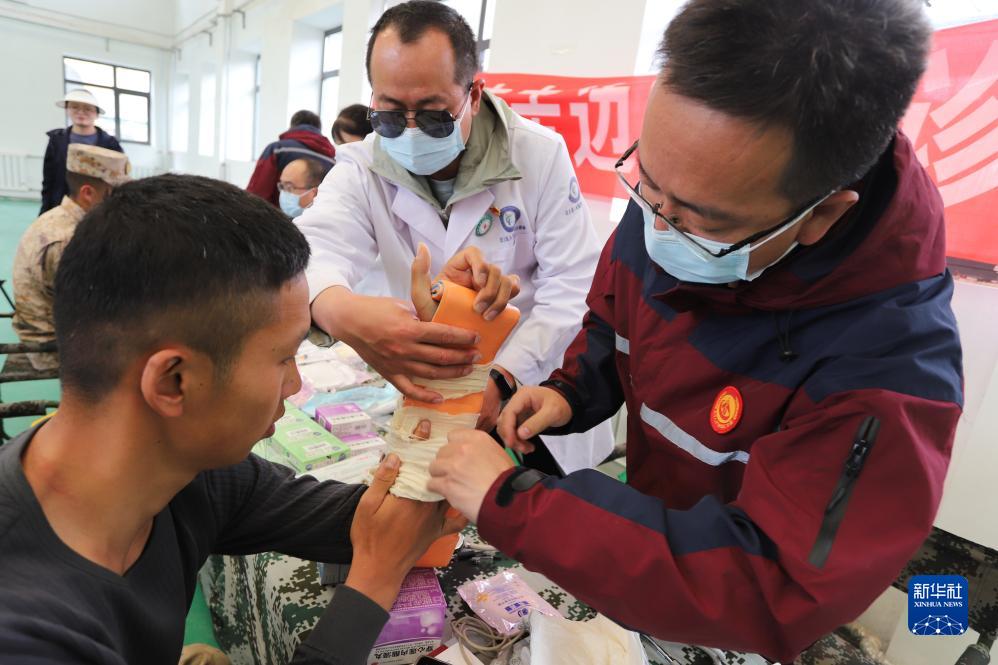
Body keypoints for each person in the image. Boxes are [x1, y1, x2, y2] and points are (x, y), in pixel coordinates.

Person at [426, 1, 964, 662]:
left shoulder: (888, 371)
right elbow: (614, 322)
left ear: (821, 215)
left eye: (695, 220)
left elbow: (773, 585)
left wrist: (515, 503)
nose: (657, 224)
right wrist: (571, 392)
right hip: (646, 549)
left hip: (730, 612)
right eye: (647, 185)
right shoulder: (680, 193)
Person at [0, 174, 467, 664]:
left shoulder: (181, 473)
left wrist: (460, 343)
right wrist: (374, 581)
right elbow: (379, 547)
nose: (294, 385)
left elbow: (369, 523)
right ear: (174, 382)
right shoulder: (26, 633)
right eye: (284, 358)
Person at [299, 0, 613, 475]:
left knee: (531, 501)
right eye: (389, 116)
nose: (410, 133)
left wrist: (504, 377)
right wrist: (338, 309)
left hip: (532, 391)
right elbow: (310, 252)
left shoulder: (538, 155)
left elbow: (573, 287)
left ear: (474, 95)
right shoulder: (363, 166)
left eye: (433, 116)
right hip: (431, 393)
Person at [12, 144, 131, 370]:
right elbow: (92, 309)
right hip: (51, 347)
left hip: (54, 325)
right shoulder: (67, 240)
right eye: (115, 194)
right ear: (88, 193)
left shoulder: (62, 219)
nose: (122, 201)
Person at [41, 89, 124, 214]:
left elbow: (119, 179)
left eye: (88, 109)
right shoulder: (57, 141)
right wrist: (45, 210)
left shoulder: (110, 144)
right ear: (67, 110)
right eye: (75, 107)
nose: (81, 112)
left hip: (99, 208)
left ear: (96, 113)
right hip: (62, 204)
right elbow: (49, 179)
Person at [247, 110, 335, 207]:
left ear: (292, 126)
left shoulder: (277, 149)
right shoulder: (332, 159)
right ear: (318, 129)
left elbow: (258, 191)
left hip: (274, 214)